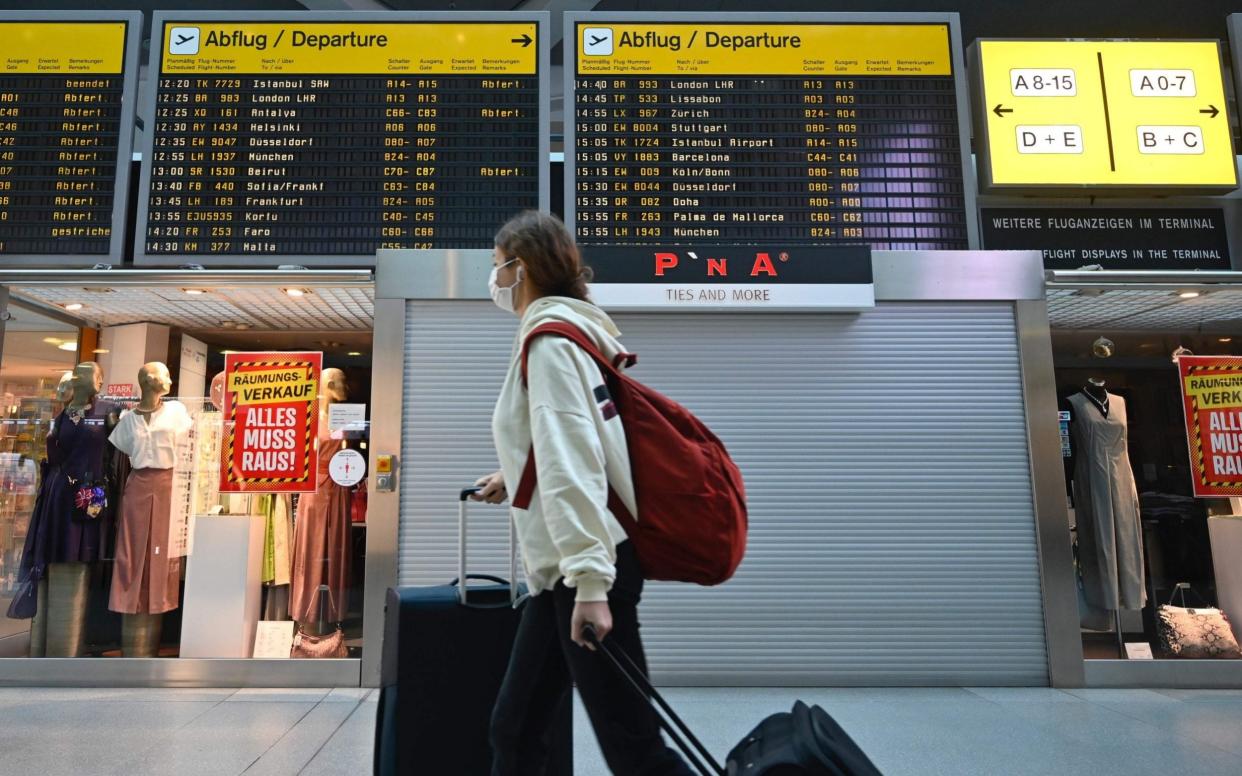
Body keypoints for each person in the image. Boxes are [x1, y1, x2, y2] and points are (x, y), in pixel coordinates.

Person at [476, 211, 693, 775]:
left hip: (587, 570)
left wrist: (593, 586)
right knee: (515, 728)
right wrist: (518, 475)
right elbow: (575, 446)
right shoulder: (575, 335)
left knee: (633, 746)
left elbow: (573, 462)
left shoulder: (549, 343)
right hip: (567, 572)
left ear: (520, 269)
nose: (494, 279)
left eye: (497, 267)